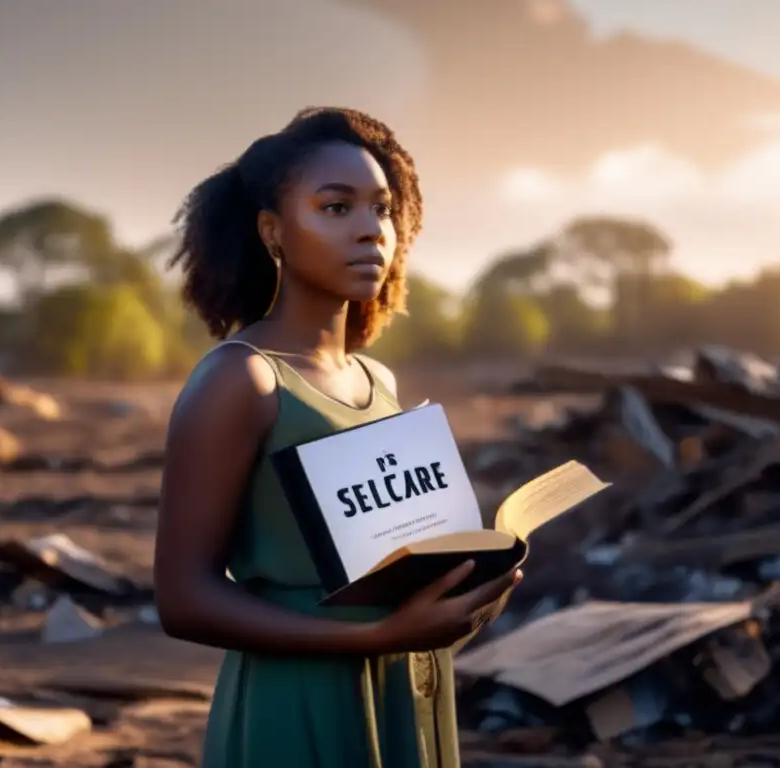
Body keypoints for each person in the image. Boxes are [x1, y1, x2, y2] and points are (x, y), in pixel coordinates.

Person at [154, 107, 522, 768]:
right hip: (297, 700)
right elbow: (183, 599)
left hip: (404, 692)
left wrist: (463, 598)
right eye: (335, 208)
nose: (369, 232)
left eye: (381, 210)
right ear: (274, 232)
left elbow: (386, 564)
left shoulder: (377, 380)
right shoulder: (241, 381)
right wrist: (377, 637)